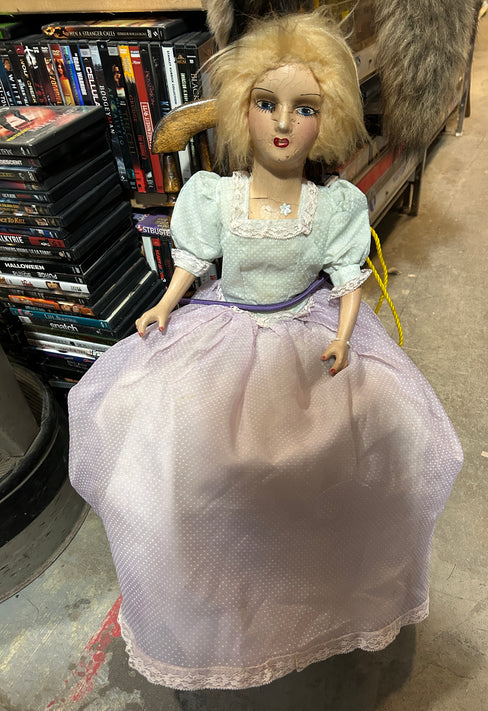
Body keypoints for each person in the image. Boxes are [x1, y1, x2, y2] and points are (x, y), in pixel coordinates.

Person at [68, 12, 463, 691]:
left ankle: (326, 579)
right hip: (226, 326)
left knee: (379, 438)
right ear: (239, 109)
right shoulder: (217, 196)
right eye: (265, 103)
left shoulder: (333, 206)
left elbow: (348, 280)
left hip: (307, 328)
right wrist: (165, 304)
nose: (283, 122)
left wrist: (343, 337)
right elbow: (194, 261)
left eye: (304, 108)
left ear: (327, 120)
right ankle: (214, 581)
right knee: (163, 438)